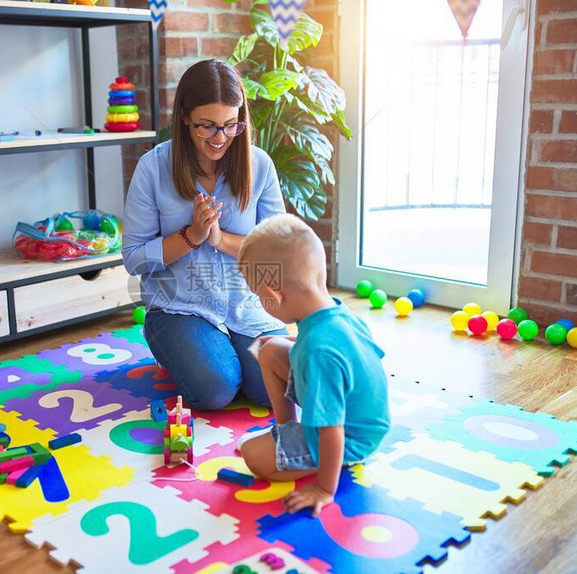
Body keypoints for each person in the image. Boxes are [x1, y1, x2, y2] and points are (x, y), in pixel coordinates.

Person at [122, 59, 287, 410]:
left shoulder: (259, 166)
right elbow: (134, 258)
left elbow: (277, 250)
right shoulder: (152, 168)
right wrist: (191, 236)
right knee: (216, 389)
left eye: (231, 126)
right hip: (179, 308)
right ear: (184, 117)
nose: (220, 138)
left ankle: (224, 356)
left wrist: (218, 239)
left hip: (246, 306)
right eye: (208, 126)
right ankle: (183, 353)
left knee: (278, 386)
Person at [237, 214, 391, 516]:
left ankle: (313, 461)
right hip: (358, 414)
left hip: (350, 436)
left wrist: (323, 488)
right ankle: (285, 429)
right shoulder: (336, 312)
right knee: (268, 349)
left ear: (273, 295)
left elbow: (331, 429)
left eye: (259, 297)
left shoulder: (320, 351)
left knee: (252, 456)